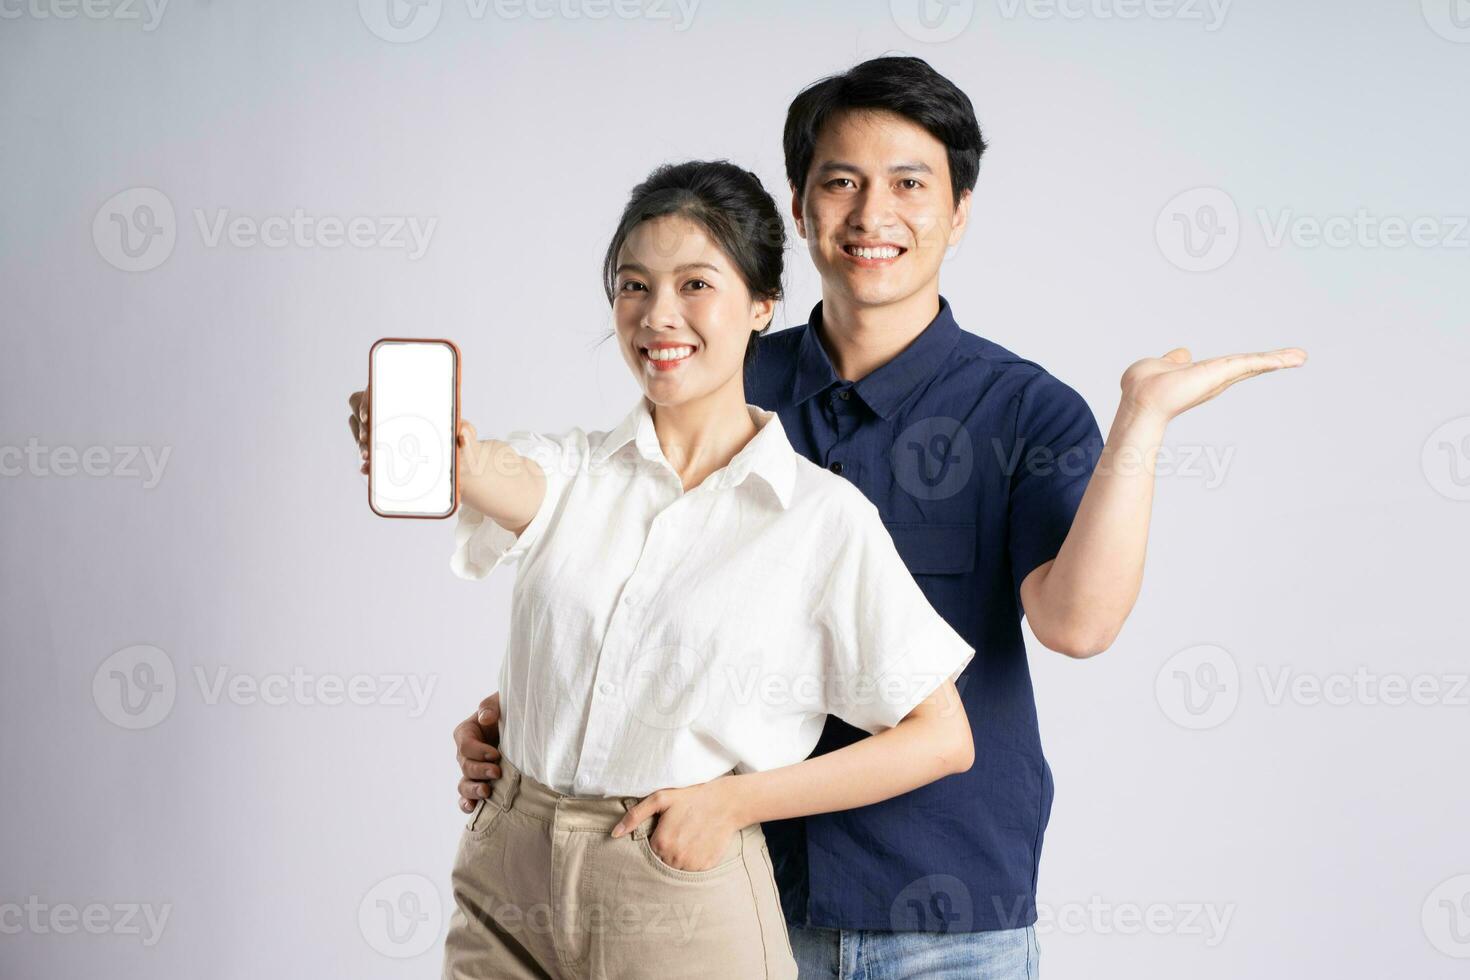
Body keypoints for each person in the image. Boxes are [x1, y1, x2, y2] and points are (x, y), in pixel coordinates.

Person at [453, 57, 1307, 979]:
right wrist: (536, 731)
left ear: (960, 209)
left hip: (942, 905)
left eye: (909, 184)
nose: (872, 216)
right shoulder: (717, 371)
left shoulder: (1023, 409)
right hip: (719, 890)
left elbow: (1078, 623)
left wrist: (1141, 422)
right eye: (842, 183)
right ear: (798, 203)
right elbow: (626, 566)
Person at [350, 159, 979, 980]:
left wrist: (735, 802)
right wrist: (435, 452)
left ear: (761, 305)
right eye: (633, 286)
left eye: (695, 285)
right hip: (509, 872)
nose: (658, 316)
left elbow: (941, 738)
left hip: (675, 884)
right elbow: (497, 476)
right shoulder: (572, 469)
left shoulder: (818, 519)